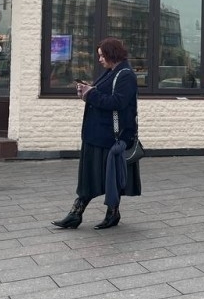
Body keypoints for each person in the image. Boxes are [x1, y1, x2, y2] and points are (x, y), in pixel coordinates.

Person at [53, 37, 142, 230]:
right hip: (96, 135)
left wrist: (91, 93)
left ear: (112, 54)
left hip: (109, 137)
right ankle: (78, 213)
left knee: (108, 176)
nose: (100, 59)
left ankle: (107, 213)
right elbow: (103, 95)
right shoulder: (111, 71)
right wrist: (87, 91)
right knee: (90, 176)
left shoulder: (125, 75)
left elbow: (117, 102)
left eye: (102, 55)